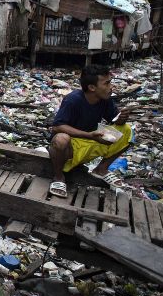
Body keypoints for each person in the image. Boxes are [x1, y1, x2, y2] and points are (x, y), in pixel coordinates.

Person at [48, 64, 134, 198]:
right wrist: (89, 135)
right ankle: (58, 177)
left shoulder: (105, 99)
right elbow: (57, 126)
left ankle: (101, 169)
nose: (111, 87)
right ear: (92, 87)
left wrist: (122, 118)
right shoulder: (73, 100)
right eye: (106, 83)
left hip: (92, 140)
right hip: (73, 146)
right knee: (60, 139)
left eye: (110, 82)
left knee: (127, 131)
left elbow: (115, 121)